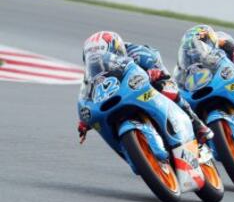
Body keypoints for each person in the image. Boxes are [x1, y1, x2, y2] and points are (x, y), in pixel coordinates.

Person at [77, 31, 213, 144]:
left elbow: (155, 63)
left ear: (115, 49)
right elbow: (92, 93)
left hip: (149, 82)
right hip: (124, 95)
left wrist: (154, 71)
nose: (99, 60)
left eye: (102, 55)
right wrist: (85, 121)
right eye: (93, 58)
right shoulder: (94, 72)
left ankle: (197, 124)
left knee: (167, 89)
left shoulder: (137, 52)